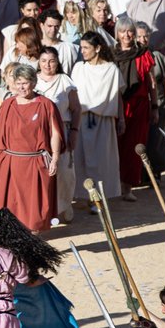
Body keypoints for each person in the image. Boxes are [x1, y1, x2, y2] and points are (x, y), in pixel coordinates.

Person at [0, 64, 62, 233]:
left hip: (36, 164)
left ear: (34, 83)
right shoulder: (7, 105)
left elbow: (55, 133)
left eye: (25, 83)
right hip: (11, 163)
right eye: (18, 83)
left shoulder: (46, 105)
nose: (21, 87)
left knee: (34, 212)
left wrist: (55, 158)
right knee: (10, 208)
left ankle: (32, 242)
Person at [71, 32, 123, 202]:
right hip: (82, 120)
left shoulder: (111, 69)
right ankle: (84, 195)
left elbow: (117, 95)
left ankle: (100, 197)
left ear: (98, 48)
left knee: (102, 161)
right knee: (81, 160)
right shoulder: (79, 68)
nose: (83, 51)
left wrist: (121, 119)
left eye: (86, 47)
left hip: (103, 122)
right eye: (81, 47)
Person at [113, 18, 157, 201]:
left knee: (134, 146)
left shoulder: (143, 54)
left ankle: (128, 187)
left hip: (139, 106)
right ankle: (114, 186)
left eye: (130, 31)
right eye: (122, 31)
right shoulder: (111, 54)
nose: (126, 35)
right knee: (115, 146)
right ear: (117, 34)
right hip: (116, 105)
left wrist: (155, 107)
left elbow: (151, 83)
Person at [35, 47, 80, 224]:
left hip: (62, 130)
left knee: (64, 171)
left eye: (52, 61)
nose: (47, 65)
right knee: (42, 172)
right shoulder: (33, 80)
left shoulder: (64, 81)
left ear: (57, 62)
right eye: (44, 61)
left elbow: (76, 109)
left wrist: (74, 131)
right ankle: (45, 209)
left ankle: (64, 205)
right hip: (38, 133)